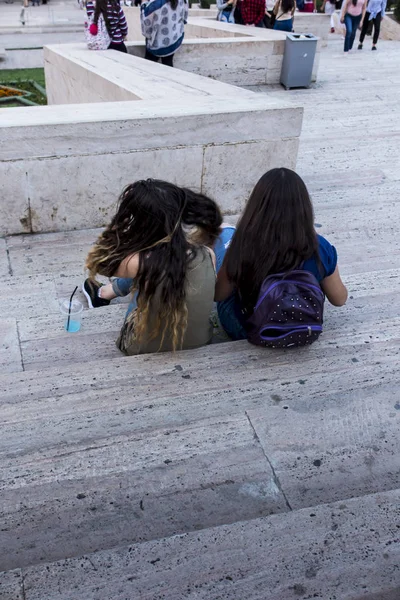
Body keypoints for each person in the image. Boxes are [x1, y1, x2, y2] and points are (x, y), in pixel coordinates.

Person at [83, 180, 223, 355]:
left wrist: (121, 221)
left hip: (142, 348)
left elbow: (97, 262)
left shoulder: (138, 262)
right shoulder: (207, 253)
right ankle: (111, 290)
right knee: (157, 273)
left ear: (139, 222)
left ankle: (104, 293)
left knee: (146, 279)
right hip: (201, 341)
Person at [215, 168, 348, 341]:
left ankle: (224, 232)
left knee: (224, 237)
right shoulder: (319, 246)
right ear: (304, 207)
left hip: (248, 328)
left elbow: (219, 295)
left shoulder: (243, 243)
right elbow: (339, 299)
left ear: (257, 205)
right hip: (302, 325)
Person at [141, 0, 188, 67]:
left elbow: (147, 24)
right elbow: (185, 17)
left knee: (149, 65)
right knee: (168, 63)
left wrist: (143, 3)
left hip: (157, 45)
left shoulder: (156, 3)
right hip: (174, 41)